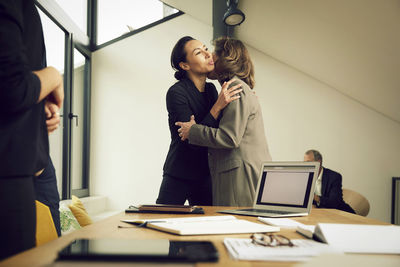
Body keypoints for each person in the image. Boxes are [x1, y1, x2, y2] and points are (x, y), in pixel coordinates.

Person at [0, 0, 64, 259]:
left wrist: (42, 106)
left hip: (30, 161)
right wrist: (54, 75)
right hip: (9, 168)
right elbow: (12, 89)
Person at [176, 37, 272, 206]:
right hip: (236, 177)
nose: (209, 58)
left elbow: (229, 137)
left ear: (226, 60)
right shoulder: (232, 89)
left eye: (212, 54)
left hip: (242, 178)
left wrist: (193, 131)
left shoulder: (237, 89)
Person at [156, 36, 242, 205]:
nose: (207, 54)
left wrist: (243, 103)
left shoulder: (211, 89)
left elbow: (215, 128)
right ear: (185, 65)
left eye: (205, 48)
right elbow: (192, 140)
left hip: (206, 173)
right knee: (160, 221)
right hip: (179, 172)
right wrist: (217, 107)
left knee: (209, 225)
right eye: (198, 52)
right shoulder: (176, 93)